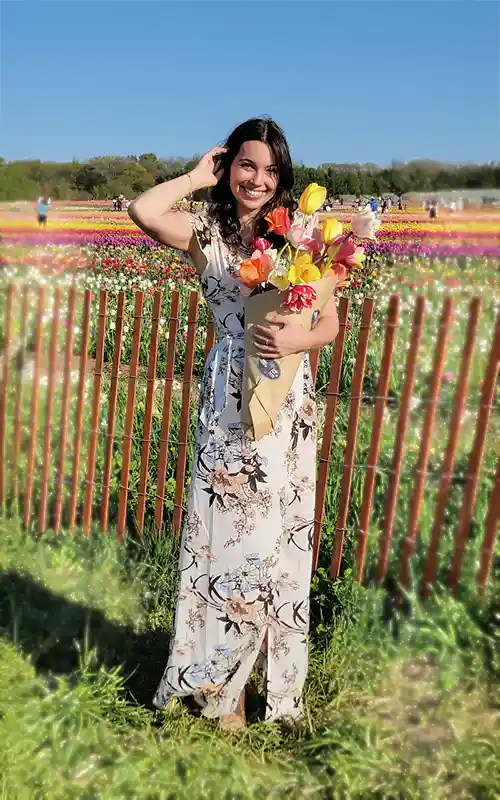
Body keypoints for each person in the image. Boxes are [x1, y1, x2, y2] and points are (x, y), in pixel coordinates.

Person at [129, 118, 339, 731]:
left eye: (272, 171)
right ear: (230, 167)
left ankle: (273, 686)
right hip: (227, 397)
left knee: (277, 545)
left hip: (286, 397)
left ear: (284, 177)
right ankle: (224, 694)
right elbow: (144, 209)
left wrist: (296, 334)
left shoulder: (303, 238)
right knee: (227, 539)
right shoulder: (208, 231)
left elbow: (329, 324)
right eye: (248, 165)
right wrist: (196, 178)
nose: (259, 180)